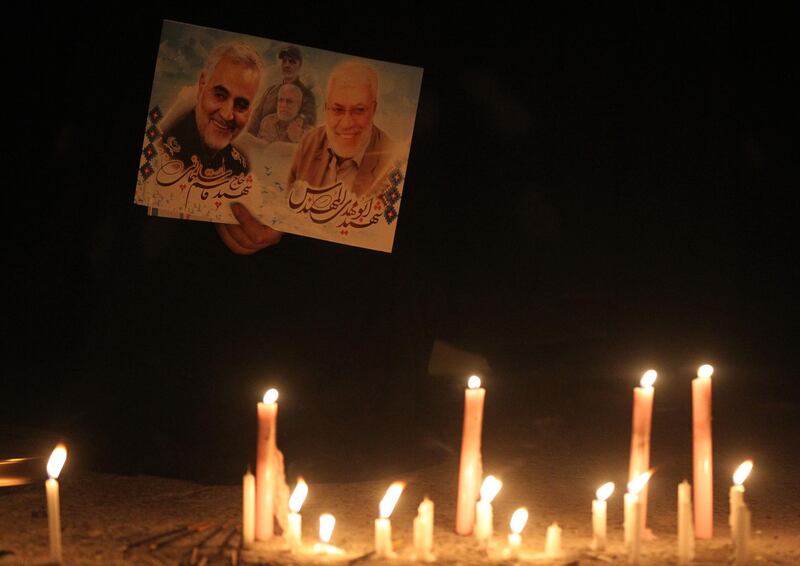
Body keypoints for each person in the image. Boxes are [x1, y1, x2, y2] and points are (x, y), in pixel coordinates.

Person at [288, 60, 397, 198]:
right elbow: (287, 206)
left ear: (373, 110)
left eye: (359, 110)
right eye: (337, 109)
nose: (346, 123)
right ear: (326, 108)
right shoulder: (309, 143)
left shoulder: (393, 162)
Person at [160, 42, 263, 175]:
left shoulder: (239, 168)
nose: (227, 115)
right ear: (202, 85)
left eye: (241, 105)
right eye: (220, 95)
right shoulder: (162, 151)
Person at [246, 45, 317, 137]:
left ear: (300, 65)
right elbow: (256, 117)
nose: (287, 65)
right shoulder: (270, 91)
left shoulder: (307, 94)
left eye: (292, 62)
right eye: (284, 61)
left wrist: (299, 120)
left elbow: (310, 117)